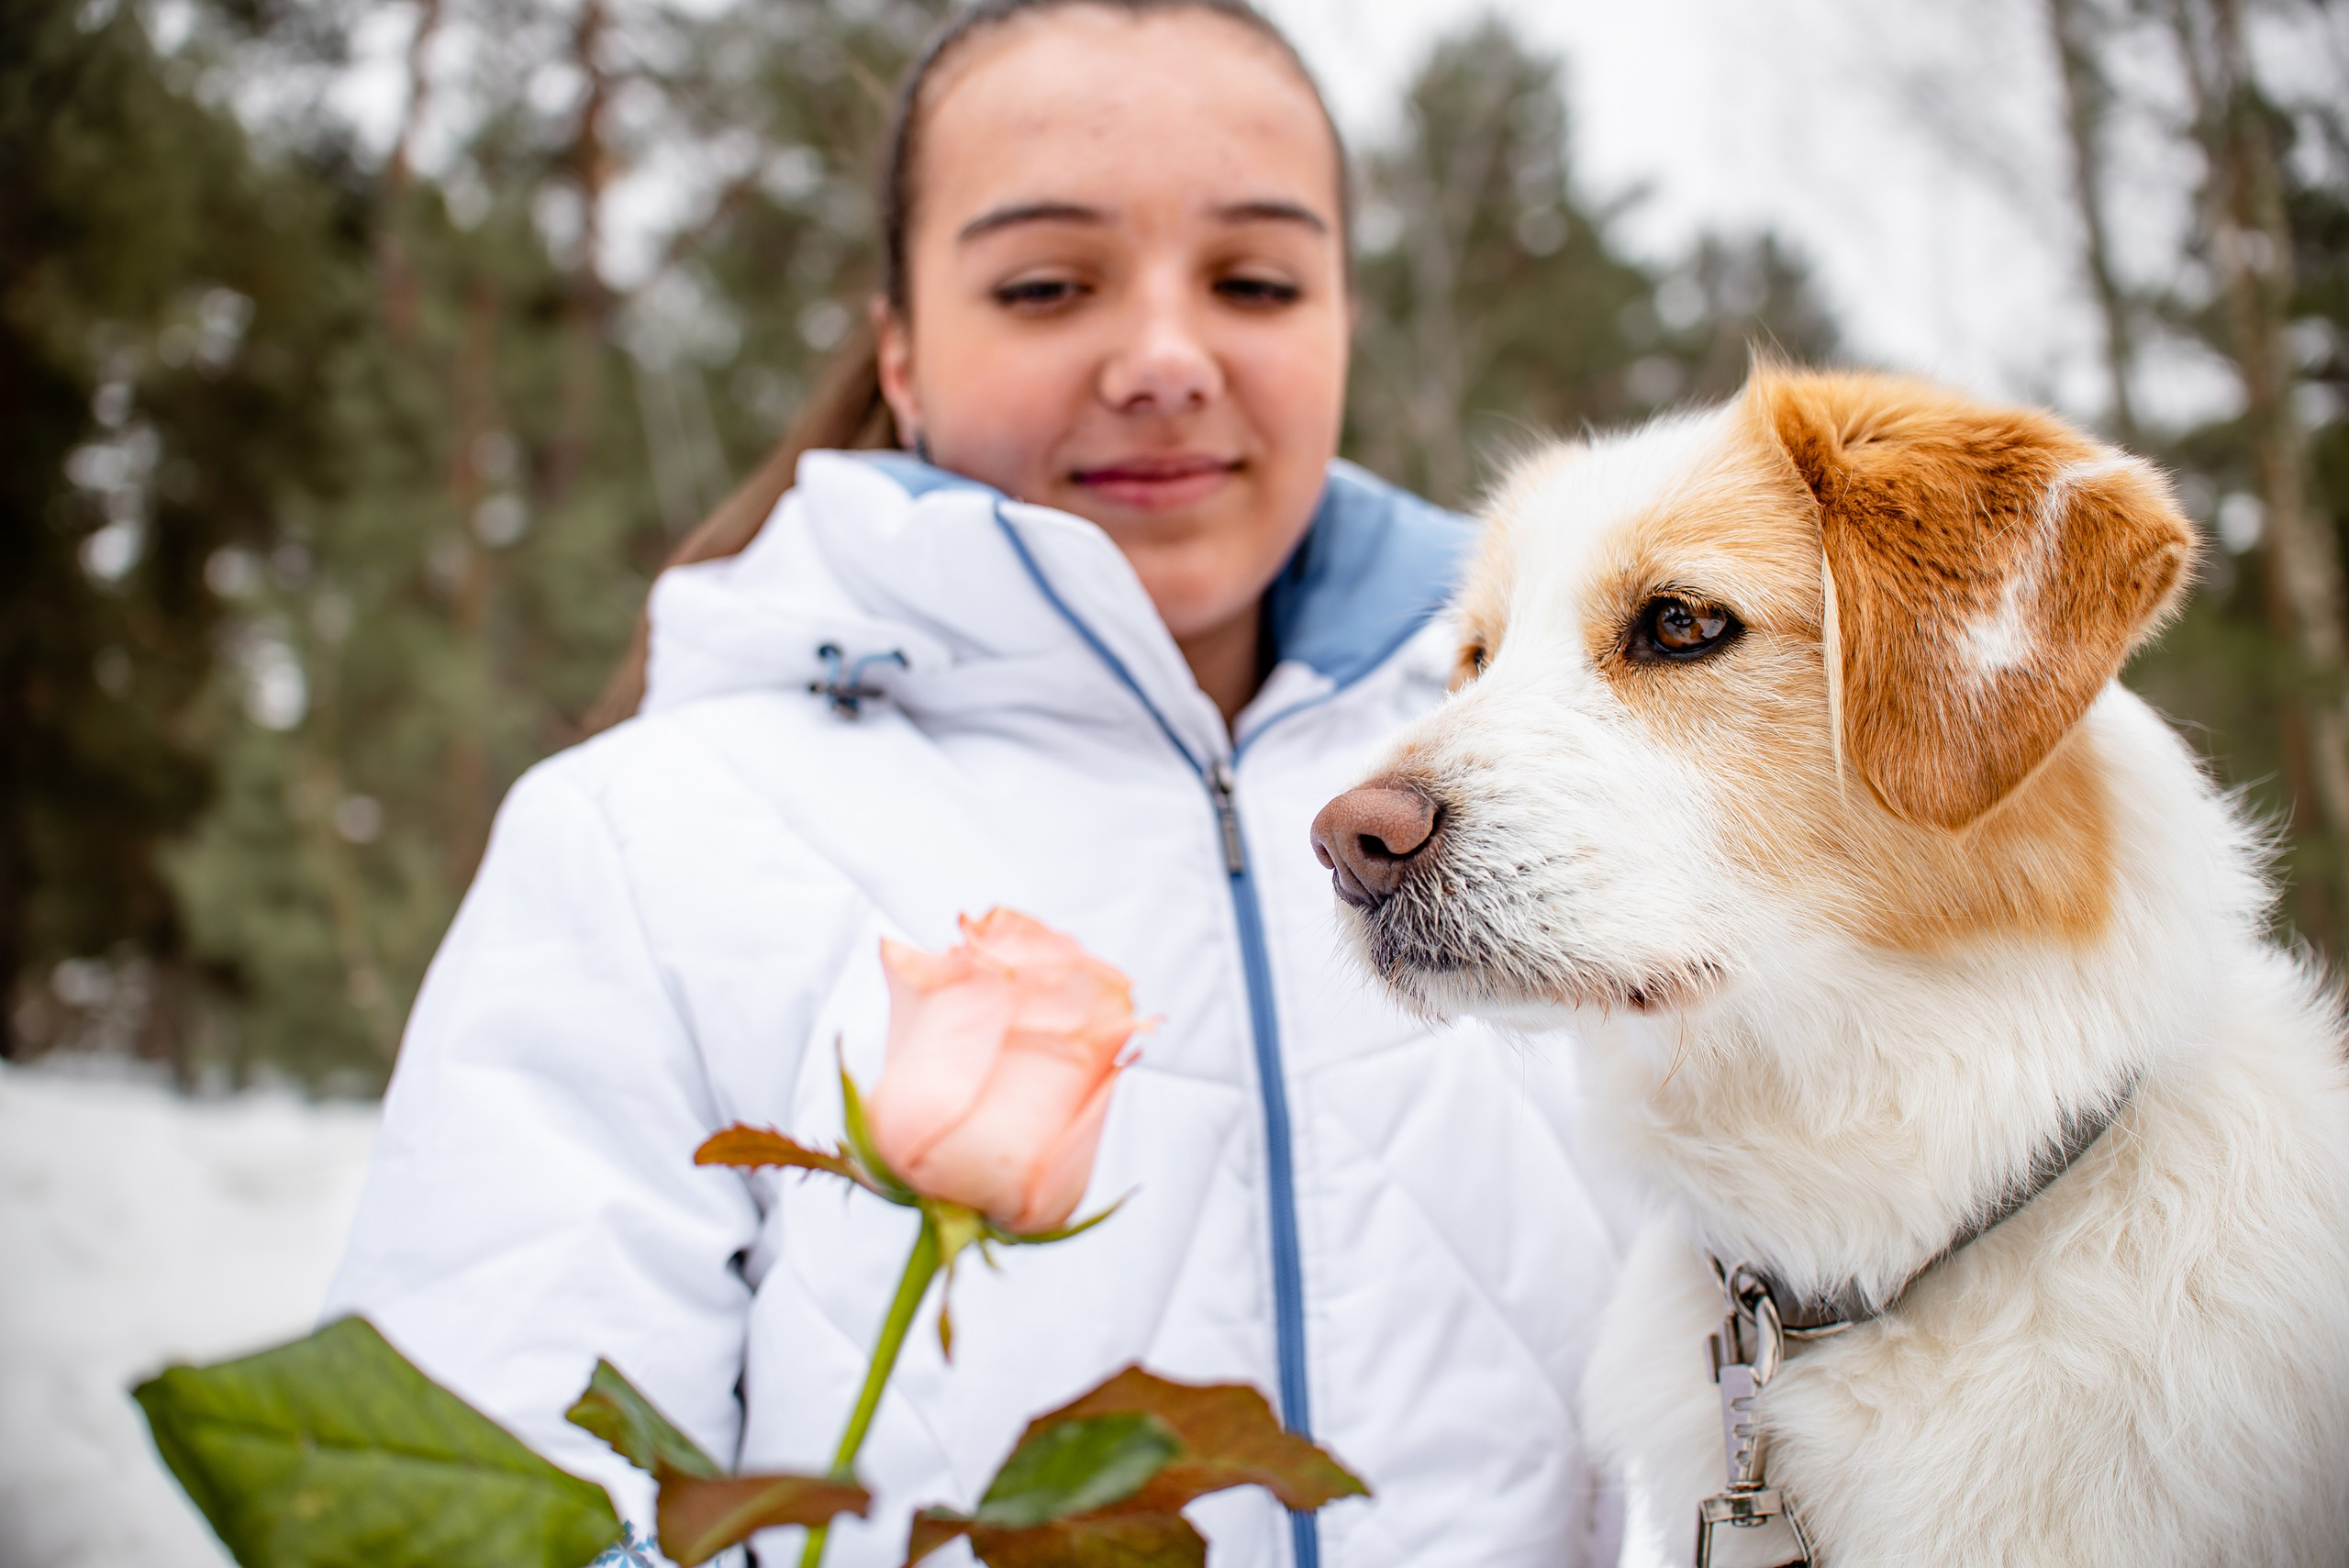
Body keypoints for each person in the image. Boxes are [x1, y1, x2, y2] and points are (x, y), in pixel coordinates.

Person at [325, 4, 1620, 1565]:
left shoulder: (1617, 798)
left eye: (1256, 281)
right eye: (1048, 286)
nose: (1166, 360)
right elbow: (476, 1491)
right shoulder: (645, 842)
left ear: (1343, 319)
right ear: (902, 354)